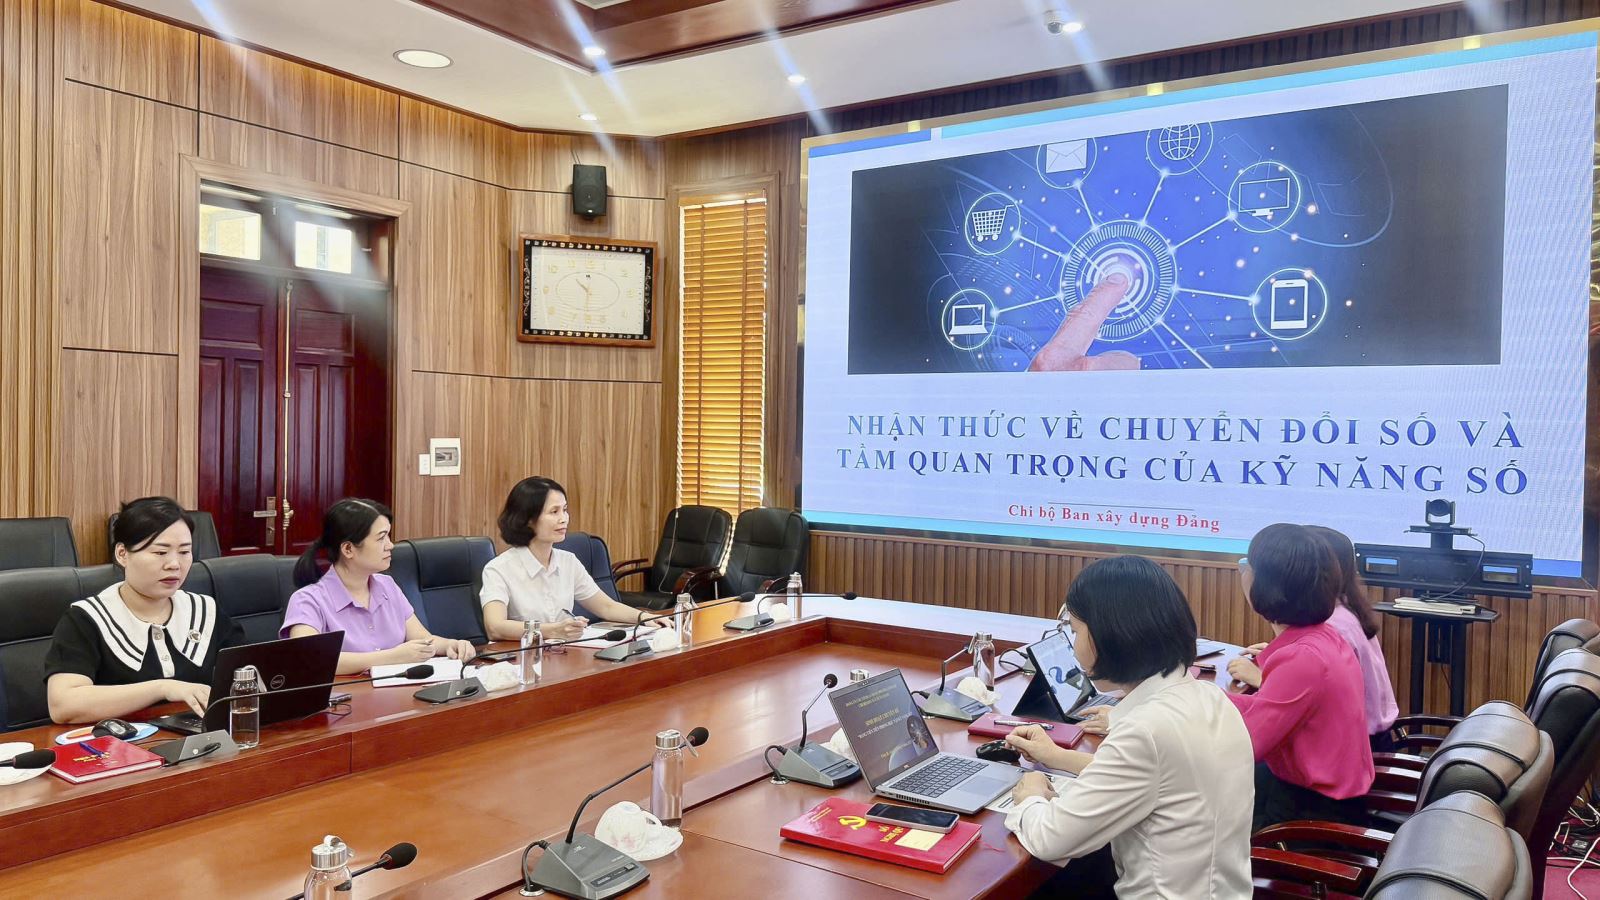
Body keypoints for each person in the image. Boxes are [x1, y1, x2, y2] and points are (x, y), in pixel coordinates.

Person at [1003, 556, 1253, 899]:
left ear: (1111, 635)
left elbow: (1051, 840)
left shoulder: (1146, 731)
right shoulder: (1210, 698)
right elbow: (1158, 776)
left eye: (1075, 631)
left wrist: (1030, 795)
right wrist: (1055, 756)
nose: (1073, 646)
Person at [45, 497, 245, 723]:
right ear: (122, 554)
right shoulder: (87, 618)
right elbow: (63, 705)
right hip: (120, 742)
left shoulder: (203, 611)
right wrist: (162, 688)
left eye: (184, 552)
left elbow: (251, 673)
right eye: (160, 553)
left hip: (200, 738)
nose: (174, 564)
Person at [1226, 523, 1373, 831]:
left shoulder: (1302, 658)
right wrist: (1203, 694)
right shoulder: (1324, 636)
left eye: (1247, 566)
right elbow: (1268, 706)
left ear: (1265, 584)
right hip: (1316, 795)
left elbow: (1245, 744)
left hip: (1311, 818)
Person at [282, 498, 475, 675]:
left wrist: (450, 645)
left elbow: (423, 639)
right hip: (346, 699)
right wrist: (392, 657)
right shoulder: (307, 600)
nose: (390, 545)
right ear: (348, 549)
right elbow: (311, 660)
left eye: (388, 536)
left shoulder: (387, 585)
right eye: (381, 538)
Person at [480, 477, 666, 641]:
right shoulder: (499, 569)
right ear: (528, 519)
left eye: (565, 510)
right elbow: (494, 627)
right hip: (522, 659)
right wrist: (552, 631)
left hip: (563, 654)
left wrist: (644, 617)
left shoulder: (568, 561)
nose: (564, 519)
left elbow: (606, 607)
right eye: (554, 512)